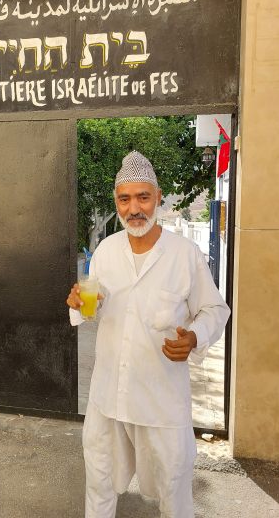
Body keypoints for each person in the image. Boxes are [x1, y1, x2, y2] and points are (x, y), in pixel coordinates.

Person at [66, 151, 230, 518]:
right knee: (99, 484)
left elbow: (215, 310)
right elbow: (96, 307)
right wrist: (79, 303)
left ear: (158, 197)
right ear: (116, 202)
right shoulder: (106, 251)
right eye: (125, 199)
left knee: (174, 491)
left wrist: (195, 337)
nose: (134, 208)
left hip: (161, 402)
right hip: (109, 397)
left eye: (142, 197)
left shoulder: (184, 254)